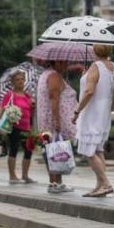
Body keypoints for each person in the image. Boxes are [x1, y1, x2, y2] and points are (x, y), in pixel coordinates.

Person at [74, 45, 114, 197]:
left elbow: (89, 91)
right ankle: (100, 186)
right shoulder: (112, 66)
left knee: (88, 151)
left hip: (92, 113)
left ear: (94, 51)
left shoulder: (95, 66)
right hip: (103, 112)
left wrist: (77, 111)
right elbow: (112, 91)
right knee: (98, 149)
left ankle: (106, 183)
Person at [37, 60, 77, 194]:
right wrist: (57, 120)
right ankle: (55, 183)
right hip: (52, 121)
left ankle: (55, 183)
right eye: (65, 62)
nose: (67, 64)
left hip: (47, 120)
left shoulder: (46, 74)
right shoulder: (54, 76)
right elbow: (54, 98)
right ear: (57, 62)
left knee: (52, 150)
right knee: (54, 150)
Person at [0, 70, 35, 184]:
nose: (20, 81)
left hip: (26, 127)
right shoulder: (9, 95)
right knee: (14, 149)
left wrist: (33, 106)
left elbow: (31, 112)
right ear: (13, 82)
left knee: (28, 150)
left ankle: (25, 175)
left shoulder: (27, 95)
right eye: (17, 80)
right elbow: (1, 108)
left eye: (22, 79)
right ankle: (12, 176)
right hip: (14, 126)